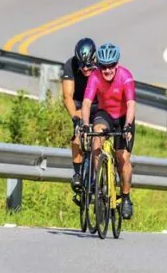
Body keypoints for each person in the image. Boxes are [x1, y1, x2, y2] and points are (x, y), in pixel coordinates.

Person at [81, 43, 136, 220]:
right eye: (103, 66)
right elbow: (87, 103)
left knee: (122, 158)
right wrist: (84, 125)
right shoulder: (95, 77)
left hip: (123, 117)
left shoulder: (126, 76)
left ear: (116, 65)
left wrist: (127, 125)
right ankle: (99, 183)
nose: (107, 70)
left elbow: (131, 104)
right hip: (105, 115)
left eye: (111, 65)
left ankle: (126, 198)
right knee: (97, 135)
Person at [61, 37, 98, 190]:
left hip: (97, 101)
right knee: (78, 135)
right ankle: (77, 173)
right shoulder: (70, 65)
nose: (85, 70)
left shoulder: (102, 65)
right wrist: (75, 117)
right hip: (79, 102)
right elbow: (67, 96)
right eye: (82, 66)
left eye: (89, 66)